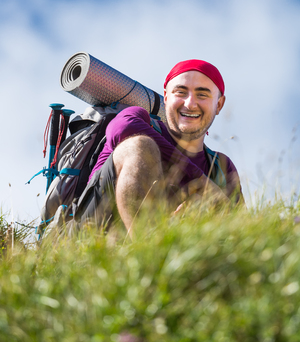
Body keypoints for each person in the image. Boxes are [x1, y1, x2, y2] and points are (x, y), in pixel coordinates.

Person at [75, 59, 244, 236]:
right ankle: (148, 249)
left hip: (178, 251)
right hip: (94, 229)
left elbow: (242, 226)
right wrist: (203, 184)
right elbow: (122, 129)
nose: (190, 103)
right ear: (166, 97)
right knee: (140, 145)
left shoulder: (220, 166)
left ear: (218, 104)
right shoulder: (139, 119)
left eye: (202, 95)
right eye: (181, 92)